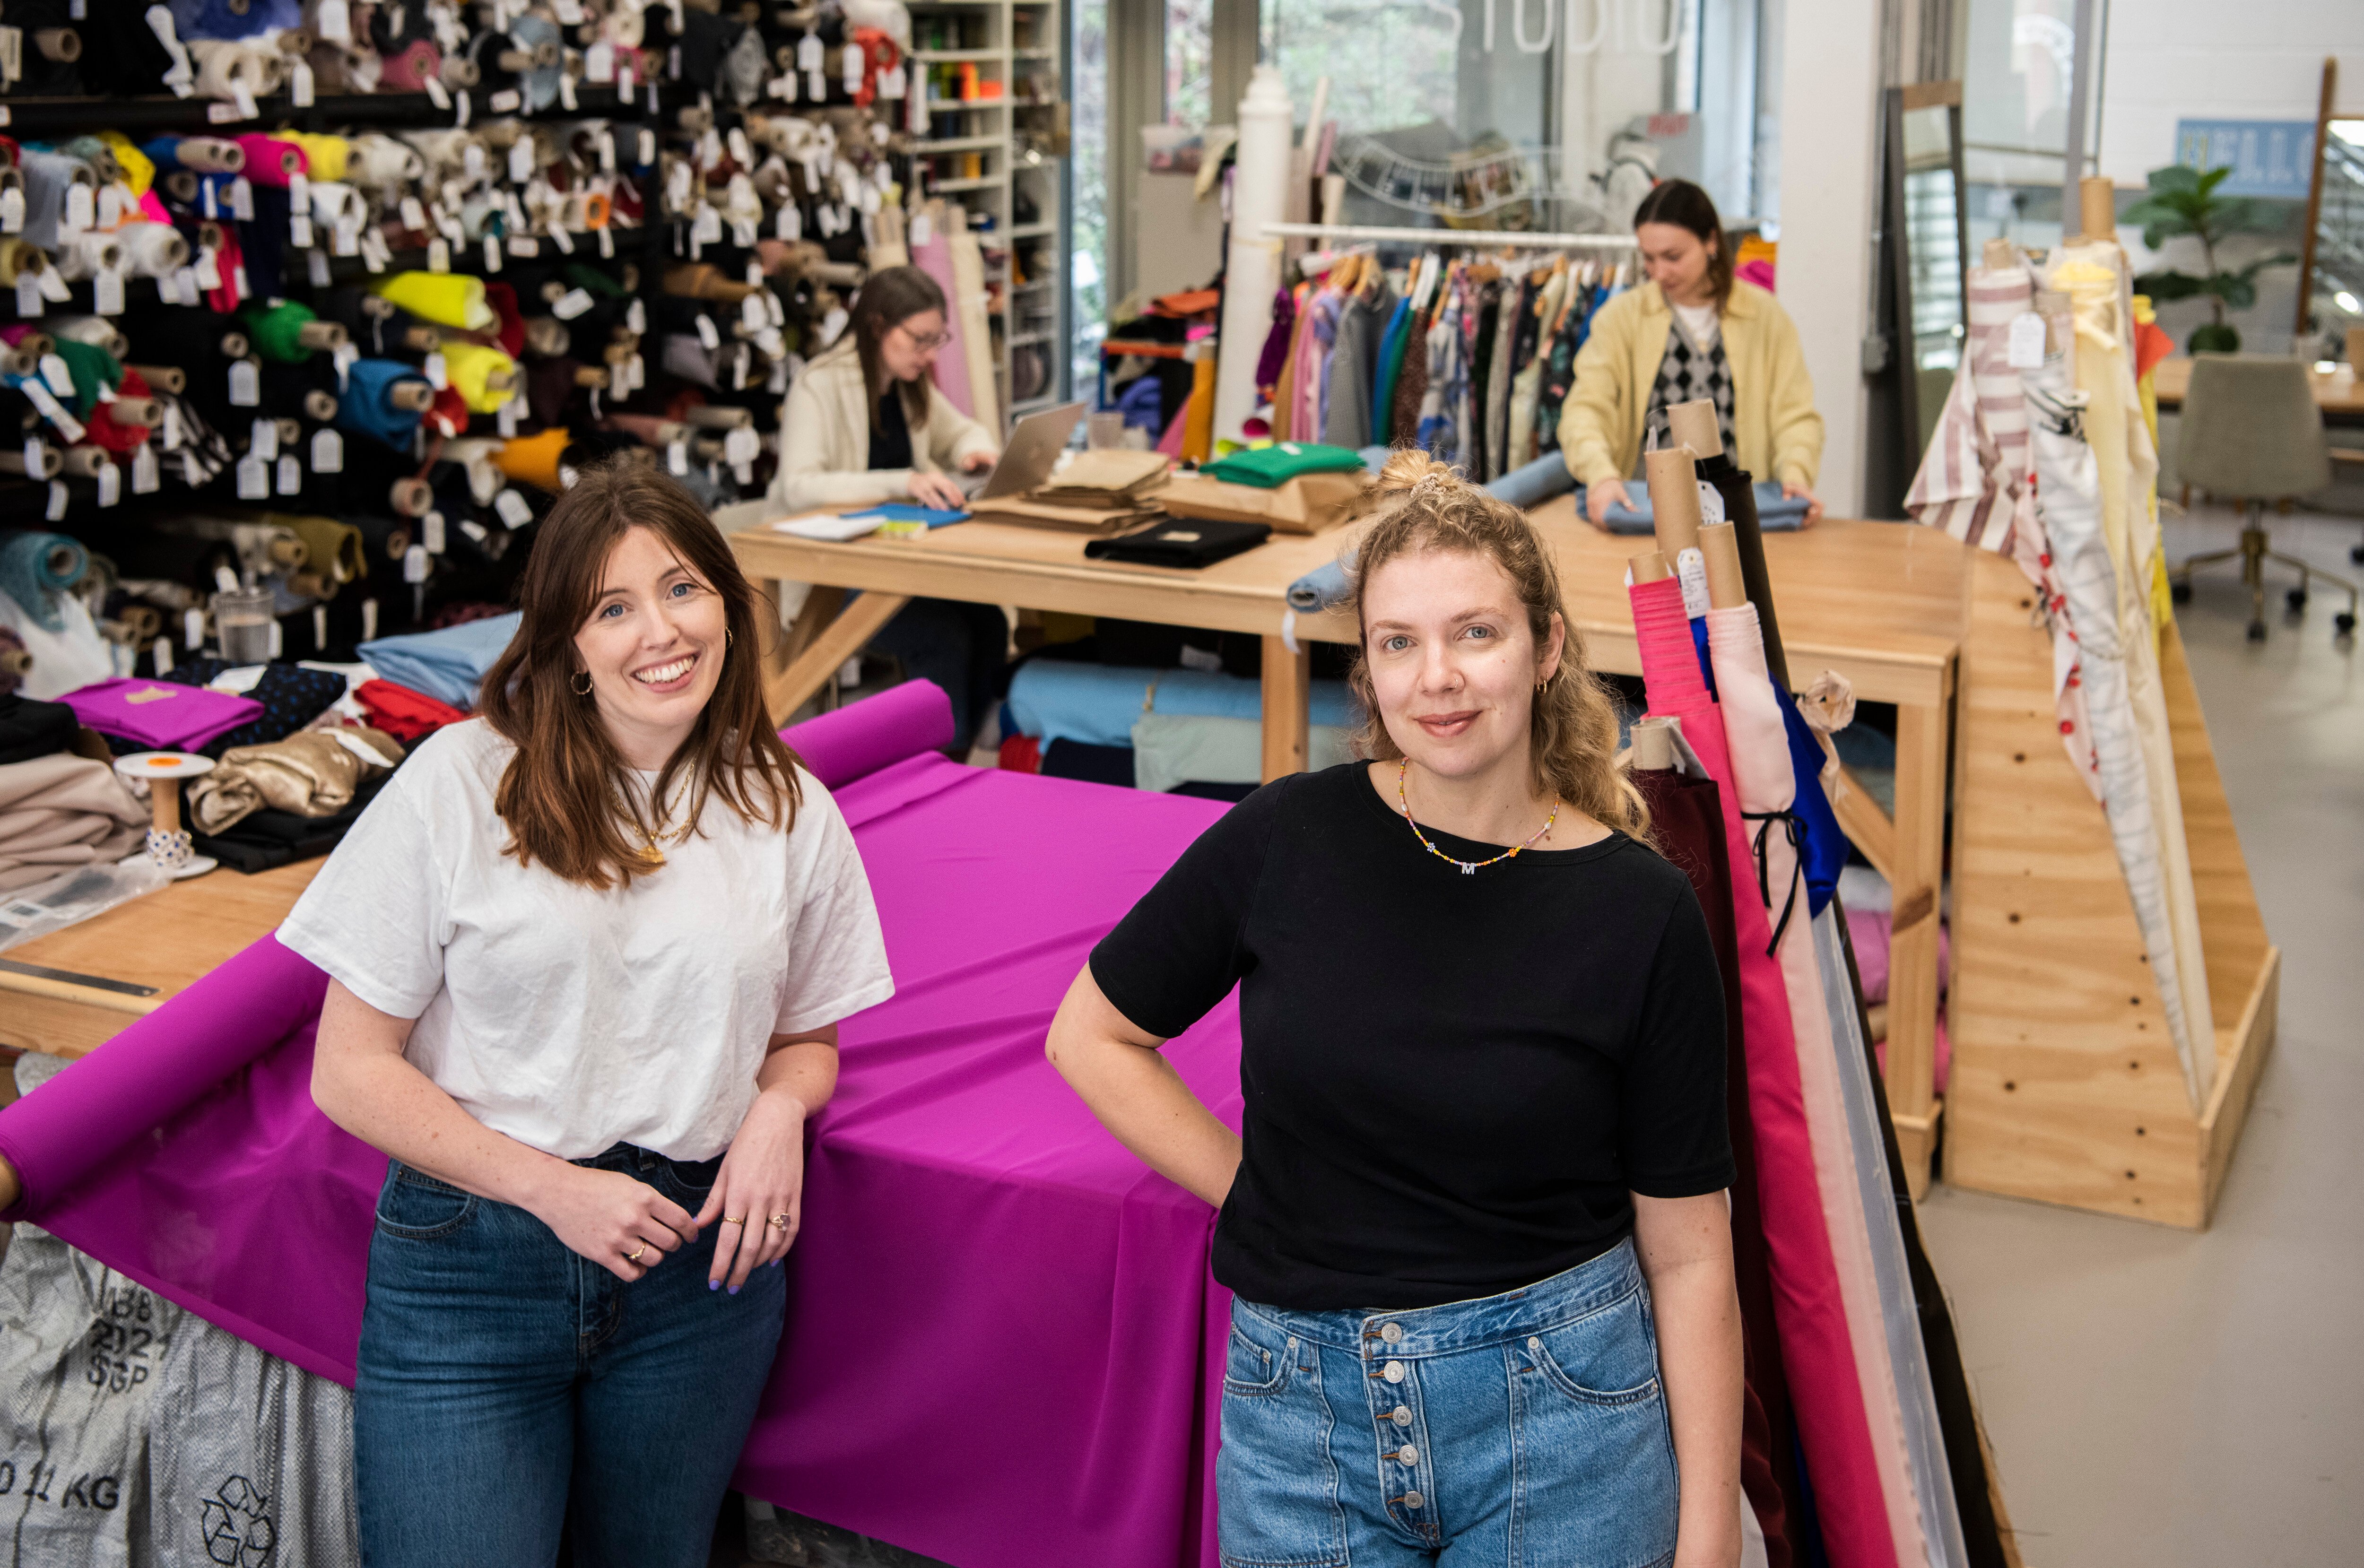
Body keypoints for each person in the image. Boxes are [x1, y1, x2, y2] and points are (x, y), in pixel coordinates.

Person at [1047, 453, 1745, 1568]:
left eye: (1476, 632)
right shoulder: (1286, 835)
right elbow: (1091, 1031)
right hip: (1300, 1419)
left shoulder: (1641, 908)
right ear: (1366, 670)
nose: (1439, 679)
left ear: (1547, 644)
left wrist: (1708, 1539)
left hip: (1561, 1410)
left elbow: (1693, 1254)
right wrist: (1255, 1188)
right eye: (1398, 642)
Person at [284, 463, 895, 1567]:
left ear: (728, 602)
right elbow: (349, 1067)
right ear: (566, 641)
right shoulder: (461, 783)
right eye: (613, 608)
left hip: (697, 1273)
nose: (659, 631)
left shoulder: (786, 801)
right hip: (474, 1258)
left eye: (681, 589)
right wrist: (550, 1187)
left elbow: (808, 1035)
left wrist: (775, 1114)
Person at [773, 264, 1010, 748]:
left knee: (990, 618)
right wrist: (903, 480)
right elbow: (799, 486)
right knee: (941, 637)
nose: (928, 354)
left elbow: (960, 430)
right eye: (919, 339)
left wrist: (974, 451)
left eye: (935, 339)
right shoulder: (817, 386)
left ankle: (979, 743)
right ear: (878, 325)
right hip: (834, 570)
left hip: (901, 559)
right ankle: (942, 765)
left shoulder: (908, 383)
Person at [1563, 179, 1825, 528]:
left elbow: (1795, 417)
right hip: (1646, 515)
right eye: (1649, 259)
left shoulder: (1766, 318)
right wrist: (1602, 475)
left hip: (1741, 518)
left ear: (1711, 242)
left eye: (1673, 257)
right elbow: (1586, 411)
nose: (1660, 272)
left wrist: (1796, 475)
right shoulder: (1620, 319)